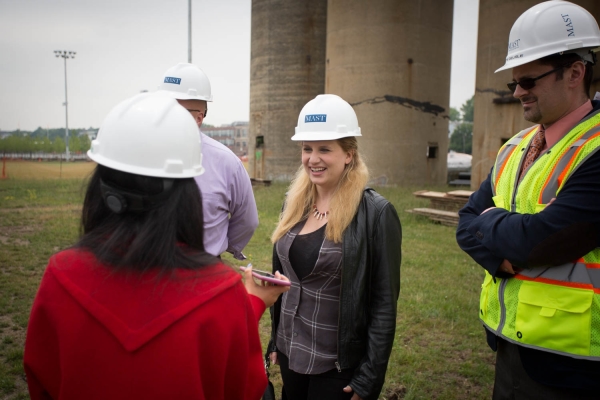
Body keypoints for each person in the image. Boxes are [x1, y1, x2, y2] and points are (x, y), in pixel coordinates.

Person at [23, 93, 289, 400]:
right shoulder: (223, 292)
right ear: (186, 193)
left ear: (102, 187)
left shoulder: (61, 275)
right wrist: (252, 303)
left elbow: (41, 382)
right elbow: (244, 387)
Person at [456, 1, 600, 398]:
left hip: (576, 366)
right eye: (513, 83)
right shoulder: (516, 147)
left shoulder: (595, 149)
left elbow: (541, 240)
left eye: (529, 81)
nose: (518, 92)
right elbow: (464, 224)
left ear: (575, 73)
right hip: (510, 348)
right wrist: (505, 237)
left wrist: (492, 223)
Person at [267, 94, 402, 400]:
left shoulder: (376, 214)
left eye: (325, 149)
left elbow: (384, 304)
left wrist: (369, 378)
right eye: (307, 149)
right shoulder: (295, 203)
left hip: (337, 368)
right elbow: (284, 278)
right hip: (291, 355)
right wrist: (276, 340)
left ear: (349, 154)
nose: (313, 159)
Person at [157, 62, 258, 260]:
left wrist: (217, 246)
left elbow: (247, 221)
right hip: (148, 269)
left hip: (202, 271)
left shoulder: (226, 163)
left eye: (176, 110)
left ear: (199, 117)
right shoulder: (139, 154)